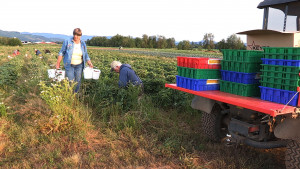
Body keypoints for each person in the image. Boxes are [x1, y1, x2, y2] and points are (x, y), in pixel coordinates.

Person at [56, 28, 93, 93]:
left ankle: (75, 95)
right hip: (69, 65)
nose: (75, 36)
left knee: (78, 81)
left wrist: (89, 62)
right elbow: (61, 52)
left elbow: (86, 54)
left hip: (79, 65)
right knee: (71, 81)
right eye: (74, 34)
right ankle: (70, 95)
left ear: (80, 36)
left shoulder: (83, 43)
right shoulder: (67, 41)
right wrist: (58, 63)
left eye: (78, 35)